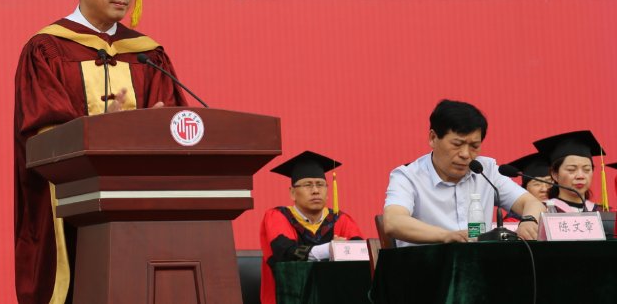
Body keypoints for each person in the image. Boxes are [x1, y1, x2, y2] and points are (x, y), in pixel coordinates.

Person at [13, 0, 186, 304]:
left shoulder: (146, 54)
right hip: (72, 210)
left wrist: (154, 125)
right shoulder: (47, 49)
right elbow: (44, 131)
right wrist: (102, 130)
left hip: (139, 206)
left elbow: (171, 121)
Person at [382, 100, 545, 245]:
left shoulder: (486, 171)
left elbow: (532, 203)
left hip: (479, 265)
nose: (466, 154)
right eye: (457, 144)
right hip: (427, 266)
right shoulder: (408, 176)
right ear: (433, 138)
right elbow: (393, 221)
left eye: (474, 146)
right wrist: (446, 236)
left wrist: (529, 220)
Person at [258, 151, 363, 304]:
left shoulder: (341, 220)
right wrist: (330, 249)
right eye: (307, 185)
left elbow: (360, 255)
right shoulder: (278, 216)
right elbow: (285, 253)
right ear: (293, 193)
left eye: (320, 184)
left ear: (327, 191)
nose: (315, 190)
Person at [533, 130, 605, 213]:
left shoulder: (603, 212)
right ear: (555, 174)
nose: (580, 176)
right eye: (571, 170)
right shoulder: (543, 211)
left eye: (586, 169)